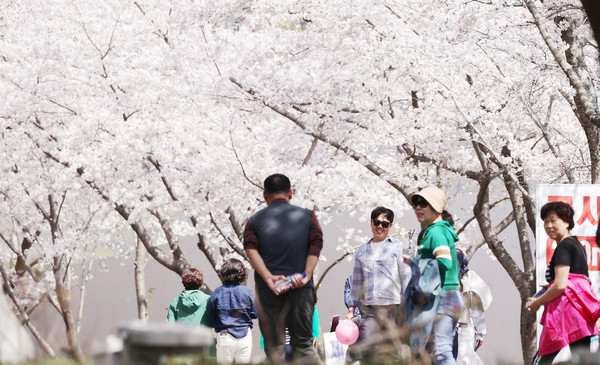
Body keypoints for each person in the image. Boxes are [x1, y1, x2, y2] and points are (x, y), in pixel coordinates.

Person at [243, 173, 323, 364]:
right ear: (290, 193)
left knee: (275, 348)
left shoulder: (253, 221)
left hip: (268, 290)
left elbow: (250, 248)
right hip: (301, 288)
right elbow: (316, 243)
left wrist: (268, 277)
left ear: (265, 195)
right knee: (303, 345)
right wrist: (306, 275)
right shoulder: (308, 216)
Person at [526, 201, 600, 364]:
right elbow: (574, 280)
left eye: (553, 220)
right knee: (584, 360)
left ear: (567, 222)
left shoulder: (564, 247)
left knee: (542, 360)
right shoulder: (576, 245)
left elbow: (560, 284)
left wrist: (538, 301)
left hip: (564, 315)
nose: (548, 225)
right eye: (545, 221)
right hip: (580, 315)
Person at [345, 206, 411, 362]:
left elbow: (407, 277)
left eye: (385, 224)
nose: (380, 227)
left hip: (393, 309)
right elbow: (356, 283)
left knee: (392, 351)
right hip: (369, 311)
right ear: (371, 223)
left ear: (390, 226)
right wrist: (351, 309)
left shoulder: (398, 247)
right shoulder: (361, 251)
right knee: (367, 348)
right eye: (377, 222)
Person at [410, 186, 462, 365]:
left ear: (437, 207)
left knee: (441, 351)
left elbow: (445, 261)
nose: (418, 207)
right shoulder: (436, 231)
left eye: (424, 203)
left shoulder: (436, 232)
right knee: (431, 352)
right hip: (448, 297)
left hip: (444, 297)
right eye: (416, 203)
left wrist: (413, 263)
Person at [207, 258, 257, 364]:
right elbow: (254, 314)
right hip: (245, 334)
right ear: (241, 273)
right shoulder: (247, 292)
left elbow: (211, 318)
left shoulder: (217, 292)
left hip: (224, 335)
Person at [454, 248, 491, 365]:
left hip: (462, 329)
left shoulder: (469, 282)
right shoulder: (467, 280)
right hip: (452, 329)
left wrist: (480, 334)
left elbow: (477, 310)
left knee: (464, 360)